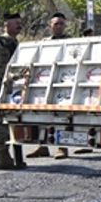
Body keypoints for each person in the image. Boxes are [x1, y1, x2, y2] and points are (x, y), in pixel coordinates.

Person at [29, 13, 70, 159]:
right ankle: (42, 146)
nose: (58, 26)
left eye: (61, 24)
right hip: (46, 81)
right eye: (56, 24)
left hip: (65, 82)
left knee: (62, 116)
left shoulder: (71, 42)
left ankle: (62, 147)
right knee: (42, 114)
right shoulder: (45, 42)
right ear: (50, 26)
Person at [0, 13, 25, 169]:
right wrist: (17, 76)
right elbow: (0, 69)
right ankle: (1, 154)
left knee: (11, 120)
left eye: (19, 22)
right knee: (1, 121)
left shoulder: (14, 42)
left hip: (13, 86)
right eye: (15, 22)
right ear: (6, 25)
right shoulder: (0, 43)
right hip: (2, 87)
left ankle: (4, 156)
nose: (19, 25)